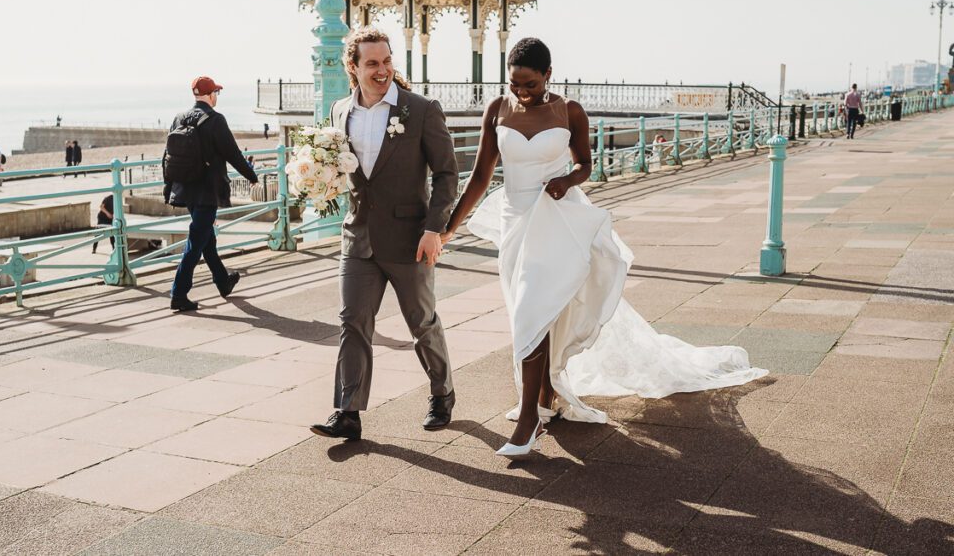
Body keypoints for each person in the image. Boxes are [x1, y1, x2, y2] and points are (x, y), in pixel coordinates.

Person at [441, 38, 767, 457]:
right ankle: (543, 400)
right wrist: (450, 227)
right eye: (514, 83)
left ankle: (528, 424)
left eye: (530, 84)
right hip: (515, 224)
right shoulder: (497, 109)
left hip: (557, 221)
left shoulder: (569, 111)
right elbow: (481, 176)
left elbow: (585, 164)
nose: (521, 91)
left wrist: (566, 181)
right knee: (534, 312)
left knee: (532, 311)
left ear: (548, 75)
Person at [310, 26, 459, 441]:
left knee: (421, 322)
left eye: (387, 60)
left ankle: (442, 393)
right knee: (353, 322)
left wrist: (434, 229)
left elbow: (448, 174)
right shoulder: (341, 111)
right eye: (372, 63)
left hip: (411, 238)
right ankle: (348, 412)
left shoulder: (421, 109)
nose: (382, 70)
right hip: (358, 237)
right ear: (353, 68)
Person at [163, 76, 259, 311]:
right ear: (211, 94)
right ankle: (178, 294)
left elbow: (166, 156)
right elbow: (233, 153)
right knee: (195, 243)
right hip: (207, 192)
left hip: (185, 188)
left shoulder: (179, 118)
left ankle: (223, 281)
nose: (217, 96)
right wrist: (252, 176)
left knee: (207, 240)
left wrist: (169, 187)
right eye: (217, 92)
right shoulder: (215, 120)